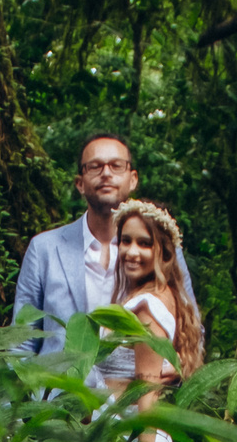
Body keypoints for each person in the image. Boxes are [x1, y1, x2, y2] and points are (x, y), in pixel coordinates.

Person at [11, 133, 199, 376]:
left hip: (133, 400)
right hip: (57, 401)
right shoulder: (44, 248)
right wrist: (14, 410)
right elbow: (21, 340)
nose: (106, 173)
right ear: (80, 183)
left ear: (133, 179)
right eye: (95, 166)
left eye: (116, 165)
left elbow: (191, 326)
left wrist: (180, 368)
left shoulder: (159, 250)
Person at [104, 198, 204, 442]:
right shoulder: (157, 295)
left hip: (133, 438)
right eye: (126, 241)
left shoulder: (147, 307)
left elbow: (146, 396)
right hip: (116, 434)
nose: (131, 251)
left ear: (164, 251)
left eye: (144, 243)